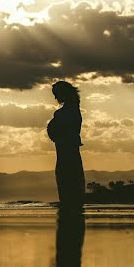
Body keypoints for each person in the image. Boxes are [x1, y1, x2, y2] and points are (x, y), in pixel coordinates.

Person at [46, 80, 85, 209]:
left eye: (56, 94)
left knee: (68, 177)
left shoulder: (70, 110)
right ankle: (69, 202)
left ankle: (70, 203)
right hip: (63, 149)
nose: (56, 98)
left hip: (67, 149)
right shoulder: (71, 108)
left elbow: (66, 128)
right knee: (66, 176)